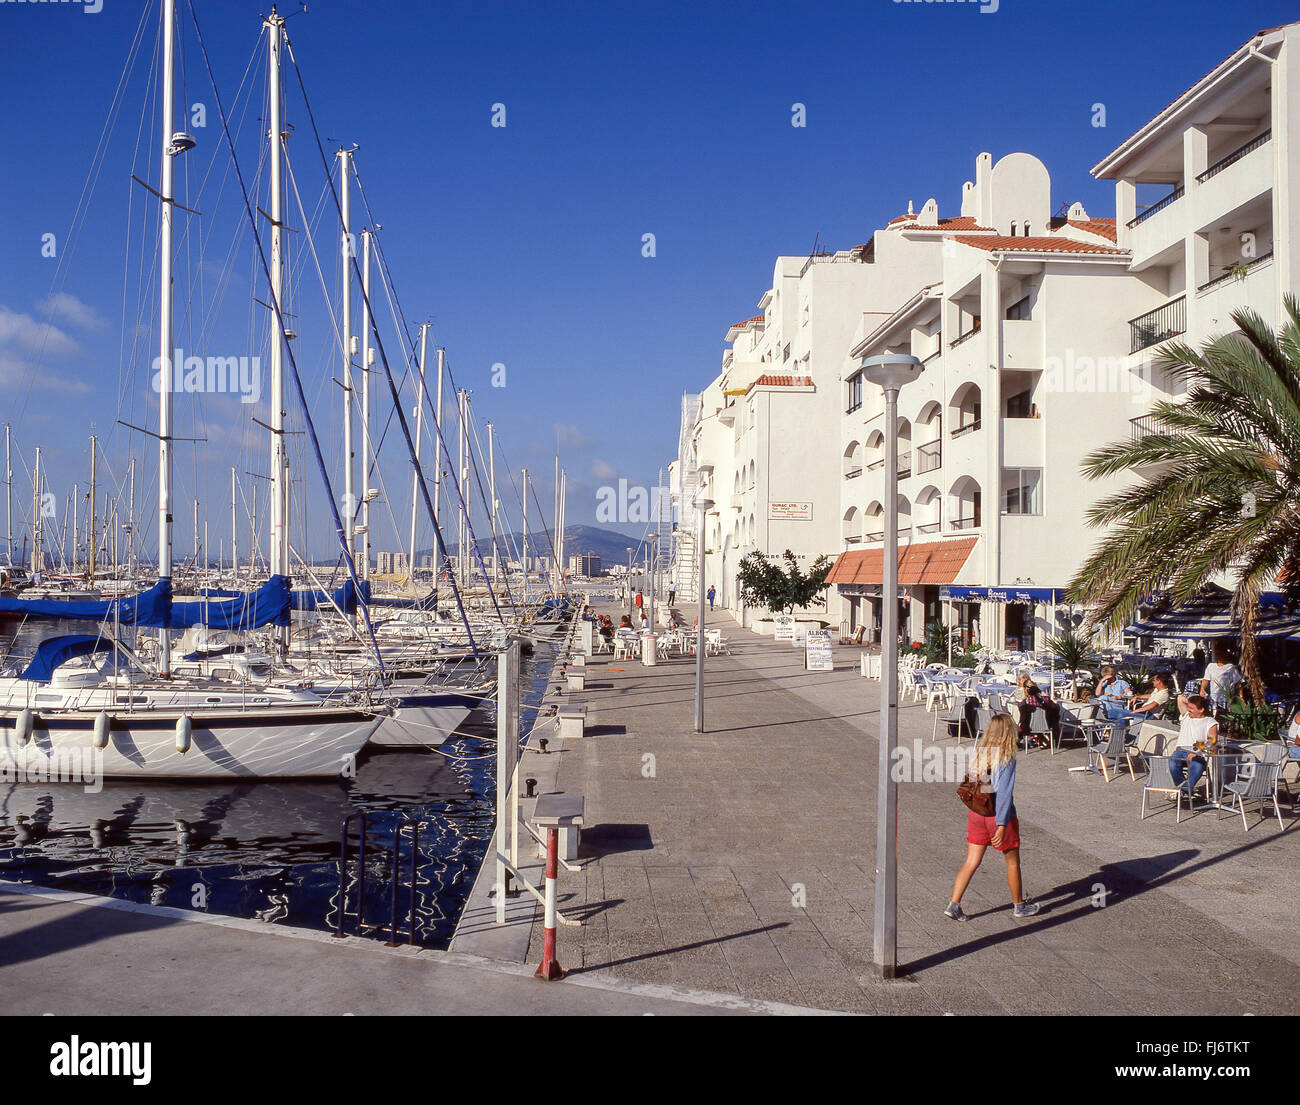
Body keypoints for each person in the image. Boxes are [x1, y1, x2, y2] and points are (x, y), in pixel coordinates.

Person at [945, 713, 1040, 921]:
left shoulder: (980, 753)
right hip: (998, 816)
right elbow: (1004, 794)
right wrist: (1002, 824)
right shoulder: (1006, 758)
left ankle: (954, 904)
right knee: (1012, 861)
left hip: (977, 813)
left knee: (971, 861)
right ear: (1008, 732)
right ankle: (1019, 906)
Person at [1170, 692, 1217, 797]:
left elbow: (1211, 742)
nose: (1188, 709)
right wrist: (1194, 702)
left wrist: (1196, 752)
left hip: (1198, 752)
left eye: (1191, 708)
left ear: (1201, 710)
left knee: (1198, 766)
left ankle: (1181, 791)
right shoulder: (1186, 716)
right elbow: (1180, 698)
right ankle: (1186, 790)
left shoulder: (1210, 722)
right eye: (1188, 707)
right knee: (1173, 764)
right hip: (1181, 751)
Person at [1199, 645, 1243, 711]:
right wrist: (1202, 689)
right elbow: (1206, 680)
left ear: (1225, 654)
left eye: (1221, 654)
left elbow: (1238, 683)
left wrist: (1241, 696)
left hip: (1227, 699)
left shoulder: (1231, 667)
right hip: (1214, 699)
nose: (1219, 656)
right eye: (1217, 654)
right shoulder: (1211, 666)